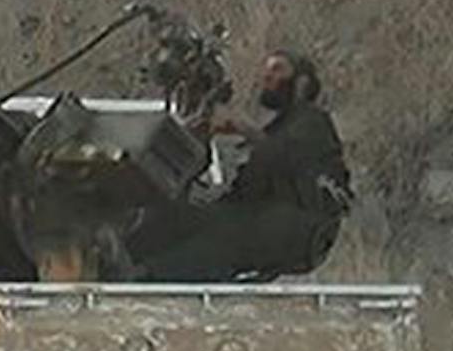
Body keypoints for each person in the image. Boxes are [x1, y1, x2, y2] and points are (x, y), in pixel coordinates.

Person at [138, 49, 350, 282]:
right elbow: (247, 187)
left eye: (278, 69)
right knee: (186, 219)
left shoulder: (313, 121)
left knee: (219, 240)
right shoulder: (283, 128)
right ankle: (126, 258)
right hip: (265, 216)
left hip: (299, 226)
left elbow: (282, 156)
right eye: (267, 69)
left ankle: (147, 277)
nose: (267, 76)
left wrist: (243, 128)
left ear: (302, 83)